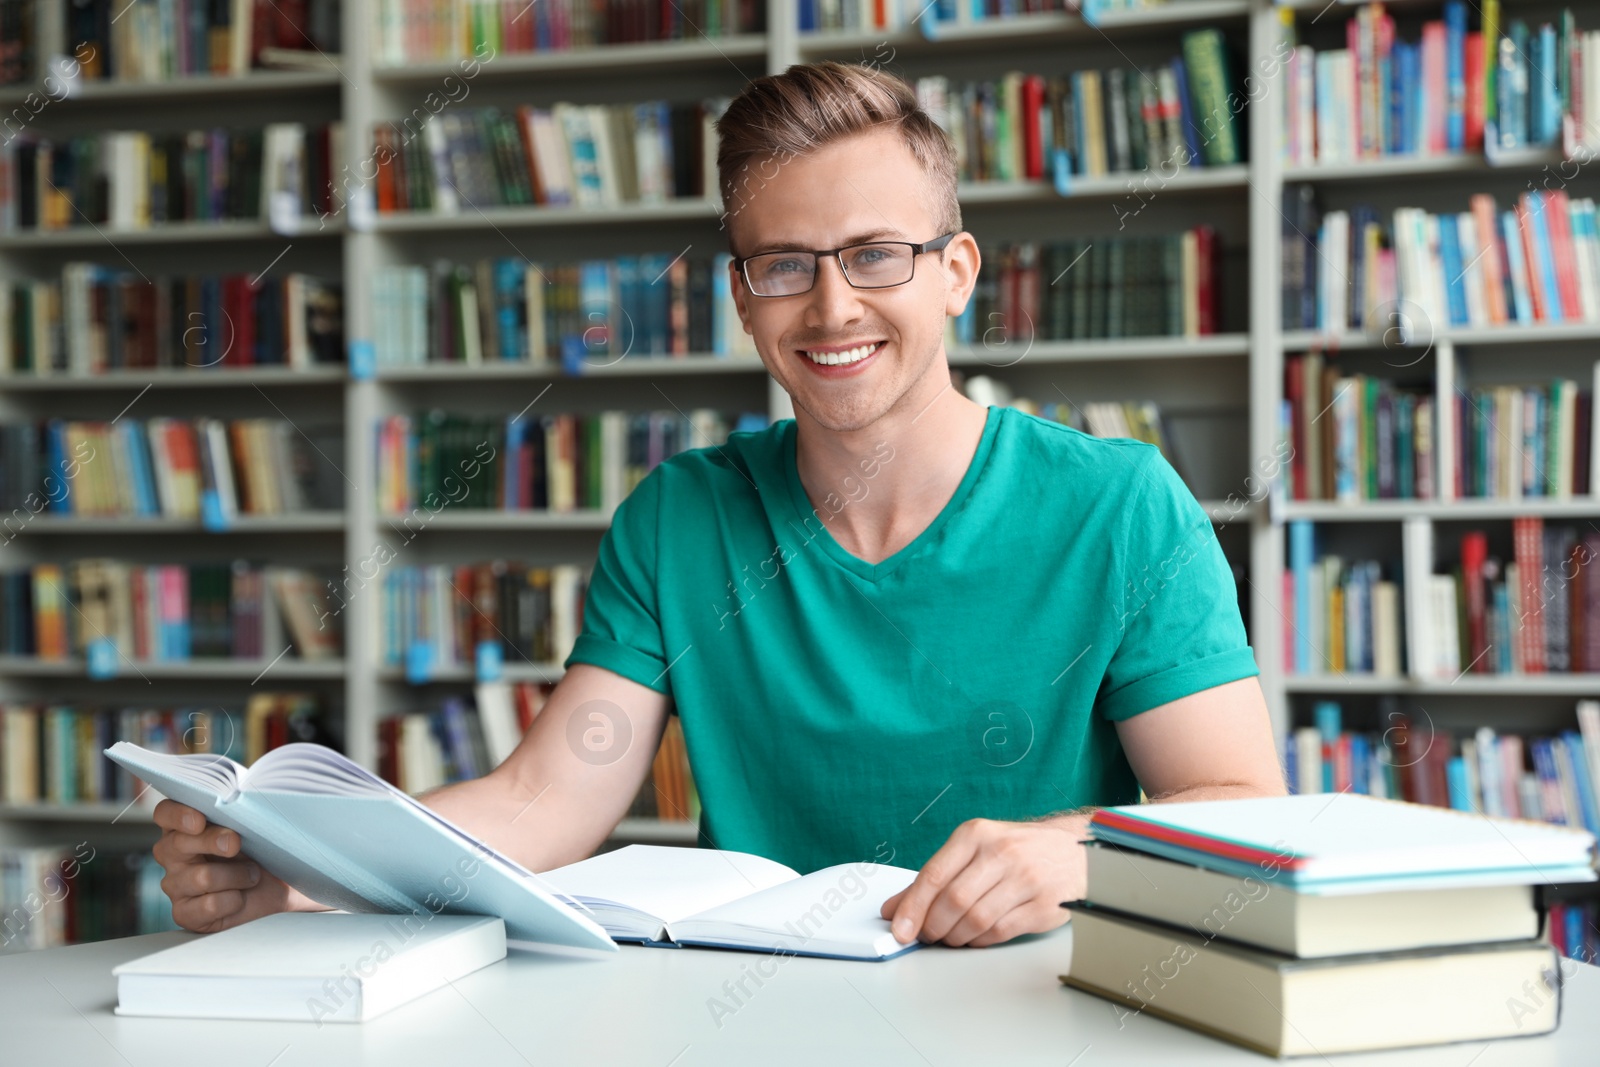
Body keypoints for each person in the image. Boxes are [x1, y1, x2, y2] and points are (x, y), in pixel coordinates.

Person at [152, 61, 1285, 950]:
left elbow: (1240, 811)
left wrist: (1080, 851)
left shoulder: (1122, 505)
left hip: (1033, 1010)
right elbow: (542, 800)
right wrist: (303, 875)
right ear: (741, 297)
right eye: (783, 264)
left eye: (875, 255)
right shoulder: (679, 515)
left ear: (956, 270)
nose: (832, 306)